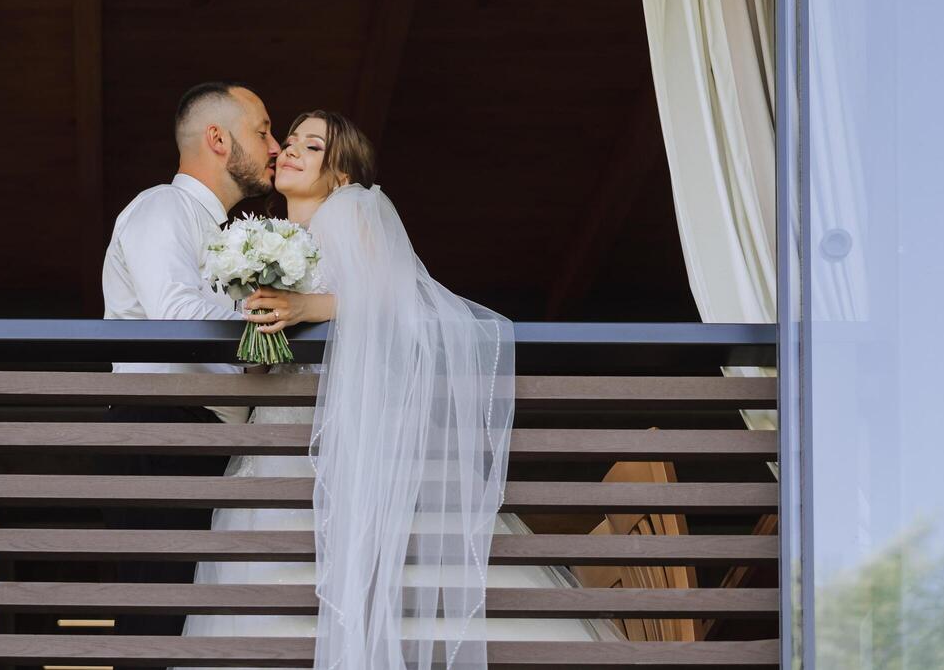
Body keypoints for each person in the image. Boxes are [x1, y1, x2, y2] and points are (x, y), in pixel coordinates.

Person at [181, 110, 620, 670]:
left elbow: (401, 305)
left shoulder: (353, 210)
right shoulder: (280, 240)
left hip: (353, 446)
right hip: (280, 443)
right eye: (289, 142)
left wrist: (310, 308)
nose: (290, 150)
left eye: (312, 146)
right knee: (275, 597)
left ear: (340, 174)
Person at [100, 80, 279, 653]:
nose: (275, 147)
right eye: (263, 130)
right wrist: (272, 318)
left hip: (208, 438)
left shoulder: (229, 236)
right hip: (164, 425)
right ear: (218, 138)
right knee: (159, 620)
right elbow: (176, 313)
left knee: (199, 621)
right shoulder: (162, 206)